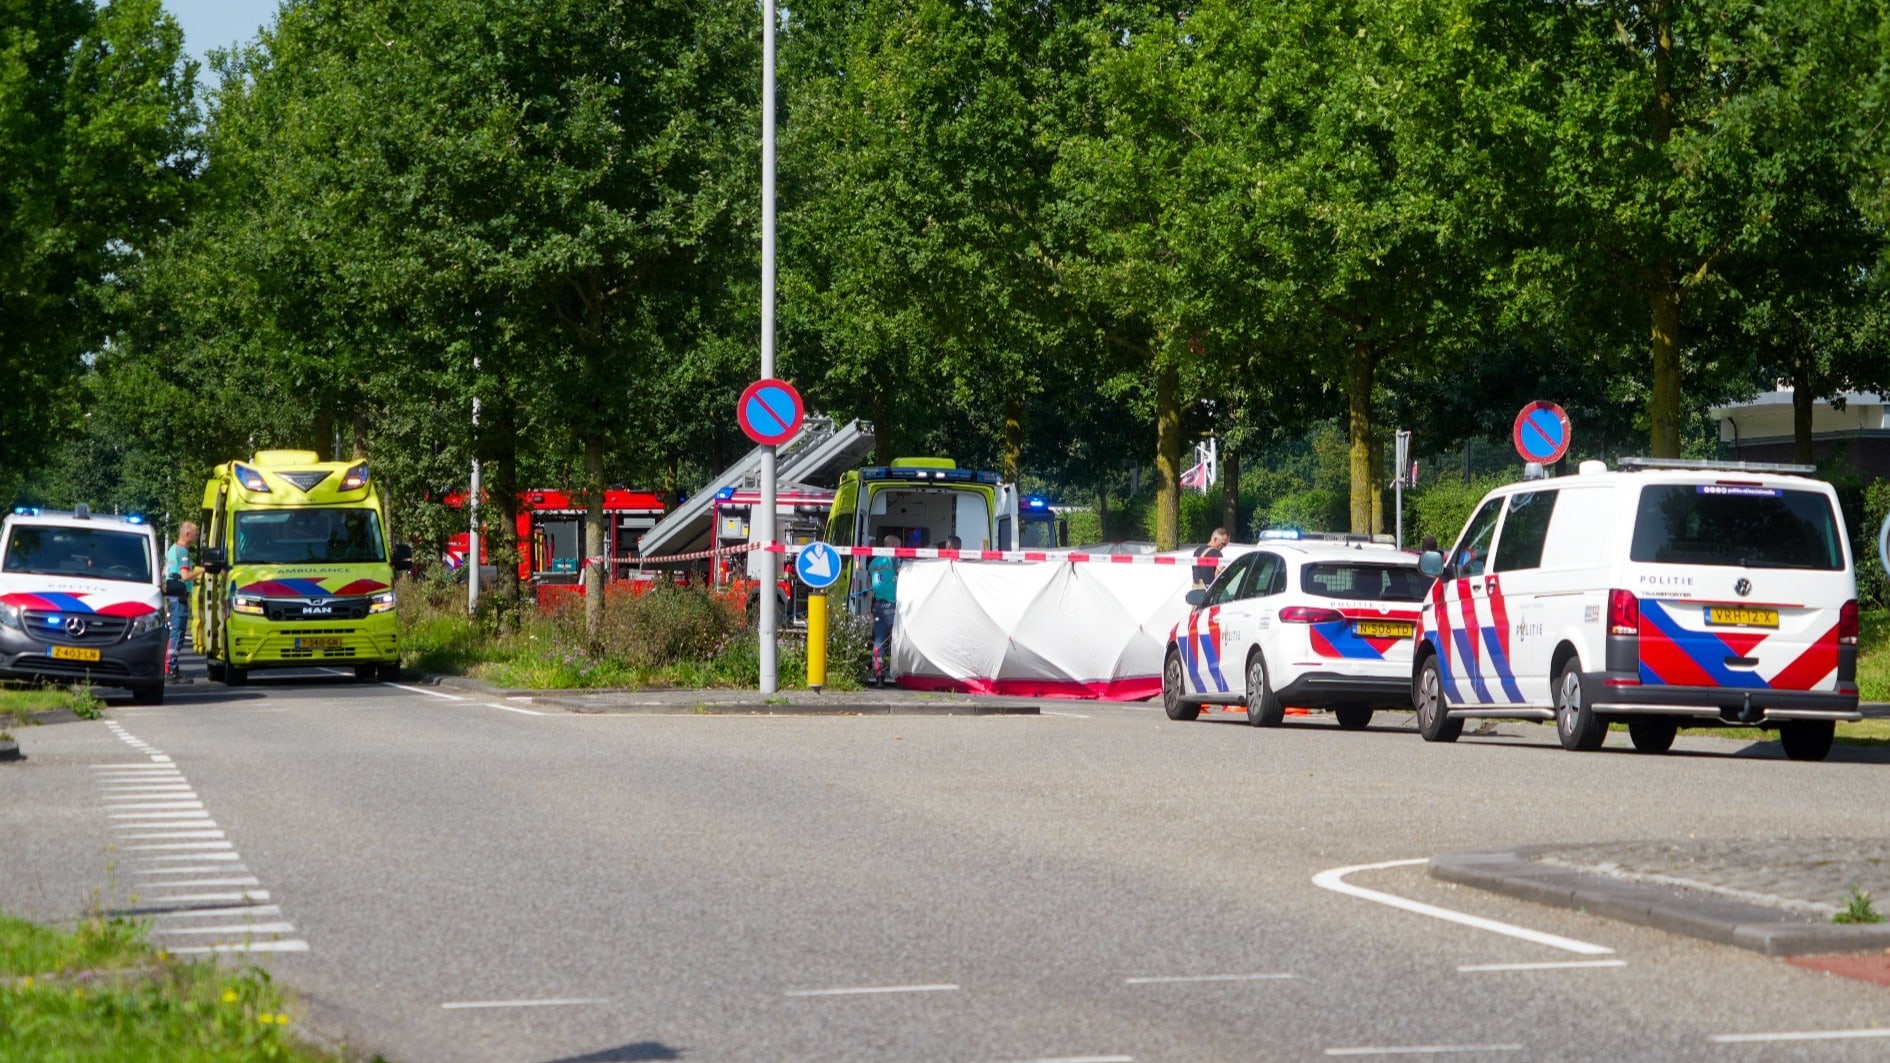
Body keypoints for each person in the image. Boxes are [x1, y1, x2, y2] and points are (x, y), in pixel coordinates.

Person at [164, 521, 199, 682]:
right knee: (178, 632)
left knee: (174, 631)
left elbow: (166, 571)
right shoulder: (183, 551)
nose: (196, 537)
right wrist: (200, 571)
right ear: (187, 534)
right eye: (195, 534)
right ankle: (171, 668)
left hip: (172, 595)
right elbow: (185, 575)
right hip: (179, 597)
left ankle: (170, 666)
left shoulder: (172, 549)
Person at [868, 534, 900, 687]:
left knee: (879, 641)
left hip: (878, 606)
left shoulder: (873, 562)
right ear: (894, 546)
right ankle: (900, 675)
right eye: (899, 547)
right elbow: (903, 573)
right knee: (898, 640)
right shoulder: (893, 558)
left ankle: (879, 676)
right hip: (893, 605)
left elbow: (871, 583)